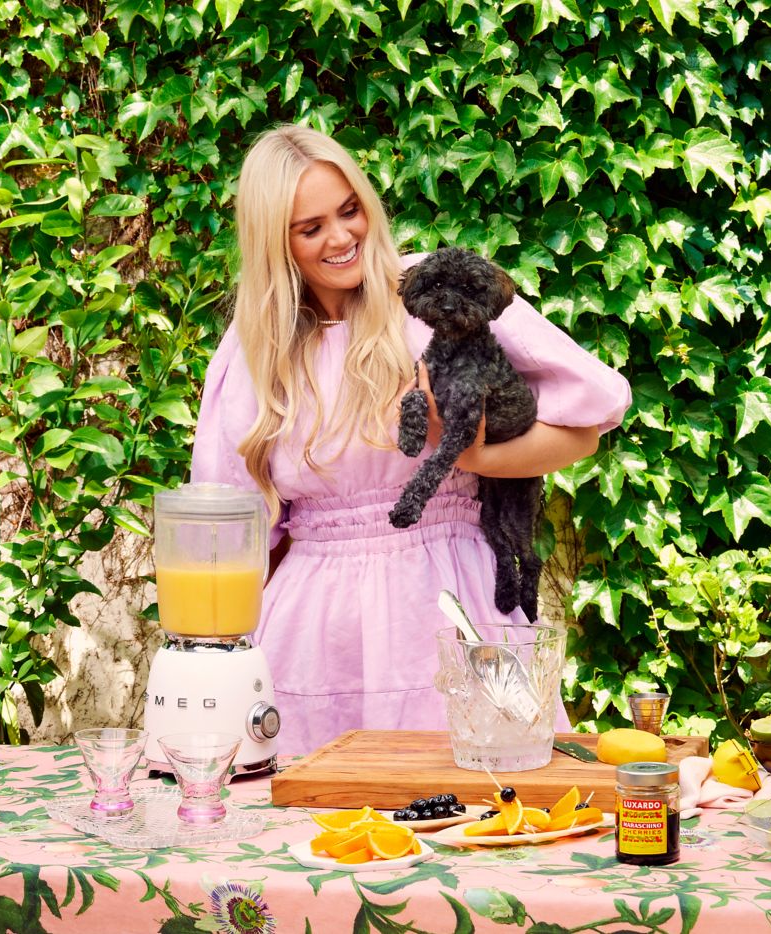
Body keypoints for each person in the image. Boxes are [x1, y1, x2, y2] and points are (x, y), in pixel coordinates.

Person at [191, 125, 632, 755]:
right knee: (309, 825)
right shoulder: (252, 345)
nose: (342, 238)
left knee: (486, 806)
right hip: (310, 632)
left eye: (349, 211)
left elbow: (586, 425)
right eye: (310, 228)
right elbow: (226, 525)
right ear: (274, 243)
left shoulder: (433, 292)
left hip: (447, 602)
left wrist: (473, 454)